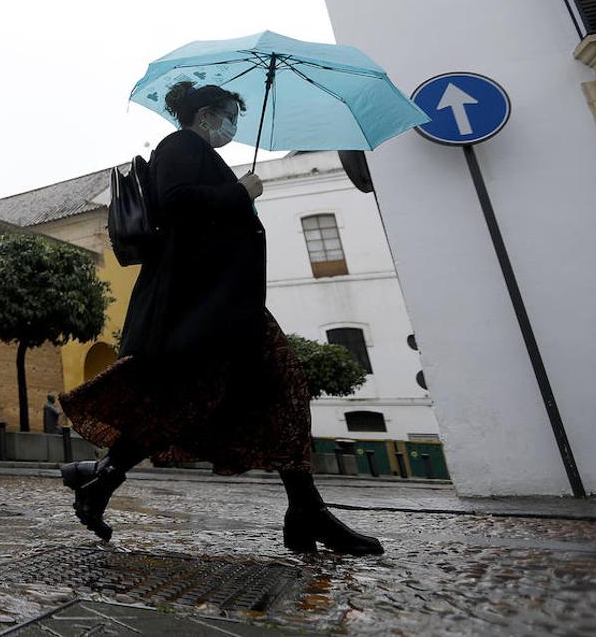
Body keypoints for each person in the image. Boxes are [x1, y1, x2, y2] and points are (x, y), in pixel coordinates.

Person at [58, 81, 383, 555]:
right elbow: (177, 204)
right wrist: (238, 191)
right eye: (229, 115)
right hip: (203, 301)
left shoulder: (195, 150)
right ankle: (303, 512)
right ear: (206, 114)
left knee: (246, 394)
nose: (232, 126)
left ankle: (303, 510)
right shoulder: (181, 145)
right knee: (250, 391)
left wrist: (236, 196)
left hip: (223, 300)